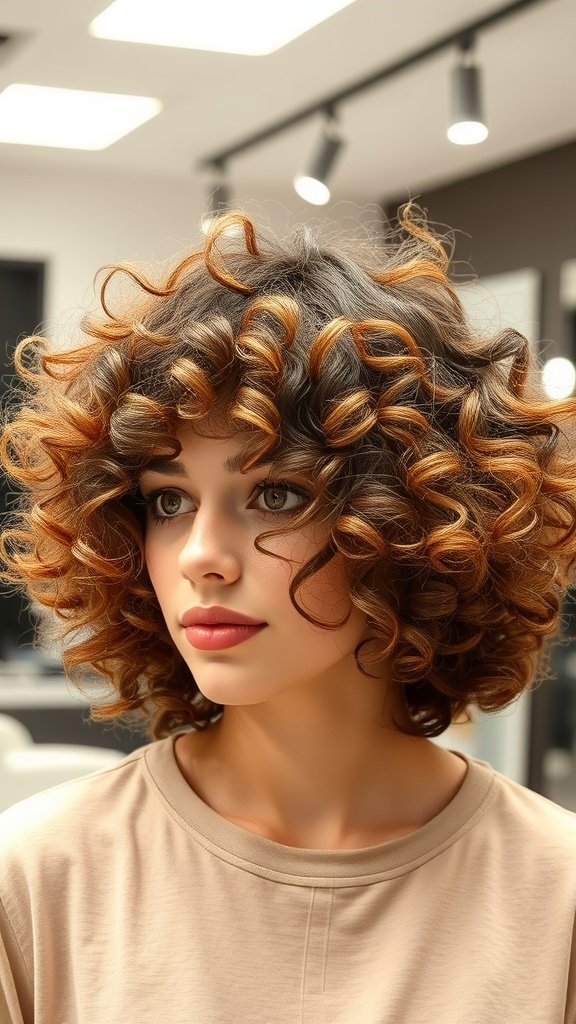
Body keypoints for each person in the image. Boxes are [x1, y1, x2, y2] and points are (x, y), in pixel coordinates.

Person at [0, 206, 575, 1024]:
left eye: (276, 495)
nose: (202, 553)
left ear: (409, 521)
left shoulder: (557, 899)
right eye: (168, 500)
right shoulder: (35, 881)